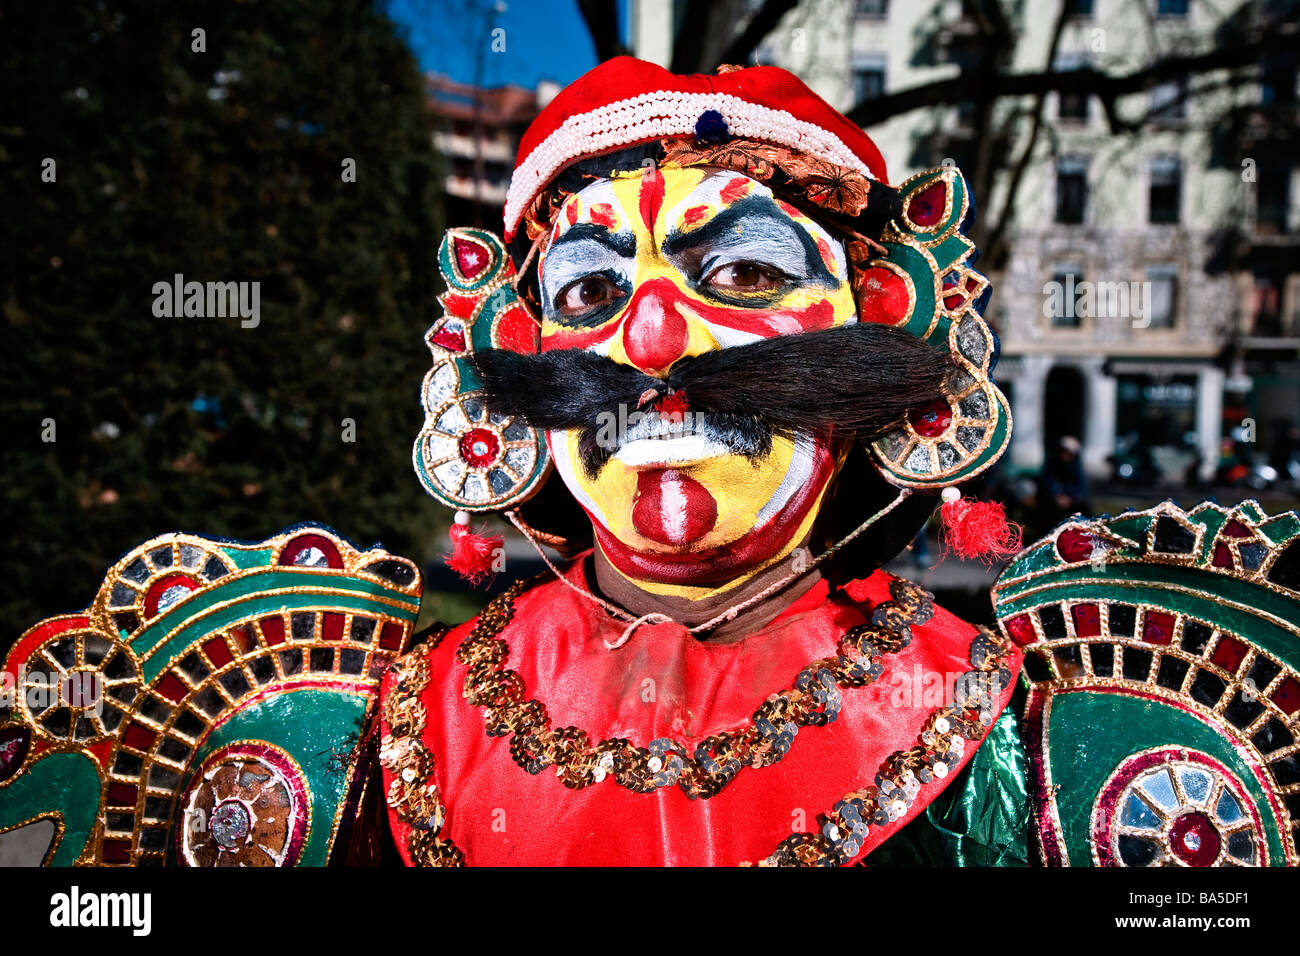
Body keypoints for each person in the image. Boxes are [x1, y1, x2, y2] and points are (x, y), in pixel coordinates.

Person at [3, 58, 1298, 868]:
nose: (654, 336)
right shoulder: (319, 735)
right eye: (589, 284)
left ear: (880, 330)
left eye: (741, 271)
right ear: (510, 355)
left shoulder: (1080, 749)